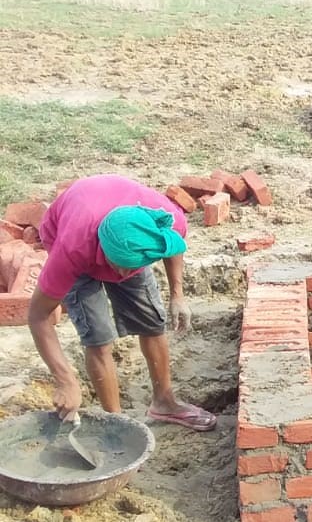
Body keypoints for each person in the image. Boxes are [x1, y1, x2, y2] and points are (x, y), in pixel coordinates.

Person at [28, 174, 216, 431]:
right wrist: (66, 381)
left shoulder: (162, 222)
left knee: (151, 320)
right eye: (121, 268)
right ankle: (117, 424)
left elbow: (173, 246)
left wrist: (177, 295)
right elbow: (37, 316)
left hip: (123, 233)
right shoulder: (71, 251)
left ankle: (164, 402)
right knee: (98, 335)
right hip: (72, 233)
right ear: (104, 254)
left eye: (133, 267)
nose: (124, 277)